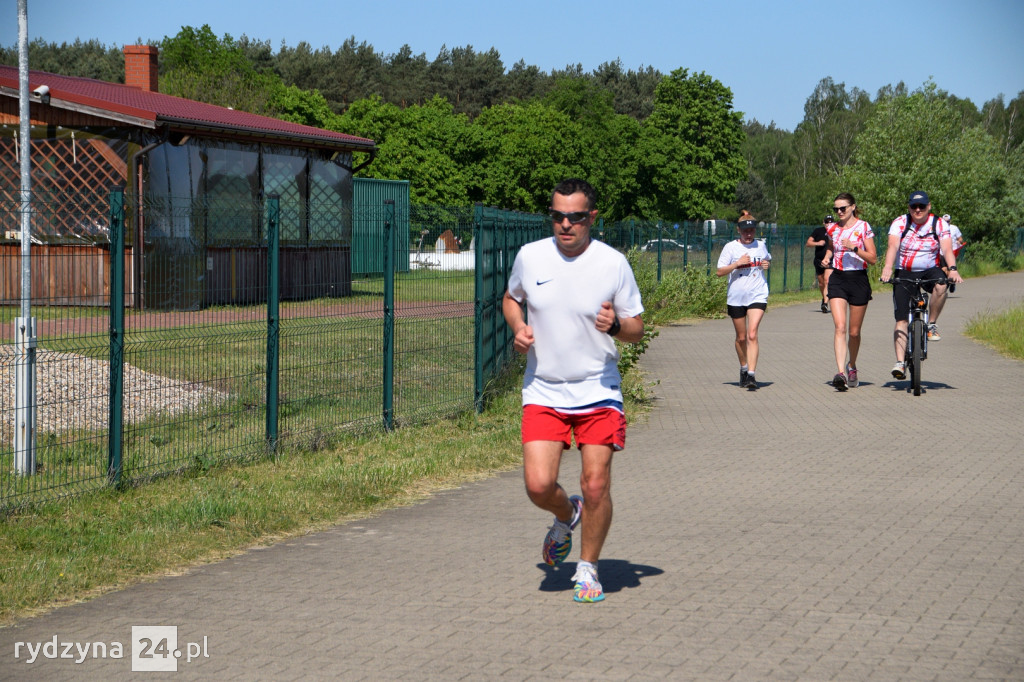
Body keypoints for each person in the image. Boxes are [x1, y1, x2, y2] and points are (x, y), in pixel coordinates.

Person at [502, 178, 645, 603]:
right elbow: (512, 298)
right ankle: (567, 514)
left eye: (575, 217)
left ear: (592, 218)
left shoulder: (612, 263)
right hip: (544, 388)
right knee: (538, 485)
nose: (565, 224)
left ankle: (587, 569)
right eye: (557, 215)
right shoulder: (530, 256)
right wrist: (519, 327)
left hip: (598, 388)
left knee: (596, 483)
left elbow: (637, 327)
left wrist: (616, 326)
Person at [880, 191, 963, 379]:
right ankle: (900, 363)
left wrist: (952, 269)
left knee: (942, 285)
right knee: (901, 318)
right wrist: (887, 268)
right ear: (909, 207)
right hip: (905, 270)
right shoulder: (900, 222)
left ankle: (931, 324)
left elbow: (947, 248)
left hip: (929, 269)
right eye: (914, 207)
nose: (918, 210)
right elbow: (893, 246)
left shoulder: (939, 223)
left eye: (922, 206)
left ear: (929, 206)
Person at [822, 193, 876, 391]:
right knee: (840, 327)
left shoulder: (863, 227)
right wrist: (828, 257)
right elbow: (831, 246)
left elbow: (872, 258)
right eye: (836, 209)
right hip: (838, 278)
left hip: (858, 279)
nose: (839, 212)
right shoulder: (833, 229)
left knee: (854, 332)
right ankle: (840, 373)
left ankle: (851, 365)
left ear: (853, 207)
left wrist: (854, 248)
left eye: (842, 208)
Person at [716, 213, 771, 390]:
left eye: (752, 230)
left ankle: (752, 375)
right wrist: (737, 264)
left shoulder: (761, 245)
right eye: (745, 230)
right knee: (741, 338)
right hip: (736, 297)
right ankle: (743, 367)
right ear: (738, 230)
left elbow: (767, 259)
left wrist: (766, 265)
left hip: (757, 294)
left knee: (752, 334)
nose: (749, 234)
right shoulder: (730, 248)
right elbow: (720, 272)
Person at [807, 215, 833, 313]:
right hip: (818, 260)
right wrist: (817, 243)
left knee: (827, 280)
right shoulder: (818, 231)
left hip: (830, 260)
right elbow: (808, 243)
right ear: (823, 222)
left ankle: (825, 303)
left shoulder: (836, 231)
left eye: (831, 222)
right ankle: (824, 298)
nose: (828, 224)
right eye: (827, 222)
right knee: (821, 283)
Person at [942, 214, 965, 293]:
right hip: (941, 252)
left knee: (950, 269)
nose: (946, 223)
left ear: (950, 221)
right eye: (945, 222)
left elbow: (960, 238)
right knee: (943, 269)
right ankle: (948, 282)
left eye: (948, 221)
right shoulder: (939, 228)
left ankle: (951, 283)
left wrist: (959, 241)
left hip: (952, 251)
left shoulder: (954, 228)